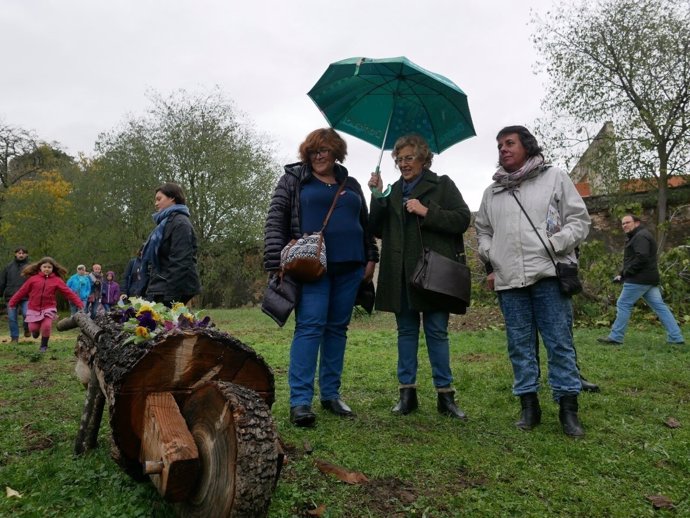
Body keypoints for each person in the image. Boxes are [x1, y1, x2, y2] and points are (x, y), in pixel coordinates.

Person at [475, 125, 590, 437]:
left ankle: (568, 409)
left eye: (509, 143)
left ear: (526, 145)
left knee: (559, 343)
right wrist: (490, 252)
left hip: (548, 277)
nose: (503, 149)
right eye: (499, 145)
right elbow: (482, 229)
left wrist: (556, 243)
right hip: (509, 281)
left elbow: (580, 221)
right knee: (520, 346)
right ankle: (529, 406)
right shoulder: (493, 192)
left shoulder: (554, 177)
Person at [264, 128, 378, 428]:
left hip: (351, 266)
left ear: (336, 152)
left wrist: (371, 257)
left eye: (325, 149)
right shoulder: (294, 180)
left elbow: (363, 224)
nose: (319, 155)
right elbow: (276, 219)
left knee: (337, 329)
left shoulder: (350, 183)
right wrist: (275, 261)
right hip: (311, 266)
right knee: (310, 327)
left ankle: (330, 395)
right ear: (306, 153)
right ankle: (300, 401)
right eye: (313, 150)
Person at [368, 134, 470, 420]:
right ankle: (407, 394)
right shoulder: (392, 192)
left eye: (409, 158)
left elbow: (462, 219)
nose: (403, 164)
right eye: (398, 159)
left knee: (437, 332)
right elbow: (375, 228)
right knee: (406, 333)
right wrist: (377, 197)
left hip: (433, 273)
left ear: (424, 159)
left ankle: (445, 396)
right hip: (400, 275)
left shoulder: (443, 185)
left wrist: (427, 211)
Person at [598, 214, 685, 345]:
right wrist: (622, 274)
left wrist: (626, 273)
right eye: (623, 224)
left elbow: (641, 258)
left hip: (638, 279)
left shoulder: (640, 236)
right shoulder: (638, 236)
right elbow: (635, 259)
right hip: (649, 279)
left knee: (623, 304)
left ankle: (616, 336)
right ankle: (676, 337)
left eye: (627, 222)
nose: (624, 225)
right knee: (660, 307)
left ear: (637, 223)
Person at [142, 182, 200, 306]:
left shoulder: (180, 224)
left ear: (172, 198)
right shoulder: (165, 223)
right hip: (160, 287)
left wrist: (171, 297)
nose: (156, 203)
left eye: (159, 199)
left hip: (172, 290)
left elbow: (181, 261)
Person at [8, 257, 83, 352]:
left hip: (49, 308)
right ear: (40, 267)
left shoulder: (57, 280)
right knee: (33, 328)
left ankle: (44, 346)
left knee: (46, 326)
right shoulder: (33, 279)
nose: (47, 269)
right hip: (33, 308)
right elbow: (22, 291)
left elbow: (68, 292)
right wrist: (12, 302)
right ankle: (35, 332)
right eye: (44, 267)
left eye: (49, 267)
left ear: (53, 268)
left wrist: (79, 304)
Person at [0, 246, 31, 342]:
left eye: (23, 253)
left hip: (26, 296)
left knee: (27, 314)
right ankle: (14, 338)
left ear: (26, 254)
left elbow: (36, 282)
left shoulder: (31, 267)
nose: (21, 255)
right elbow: (2, 281)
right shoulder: (8, 267)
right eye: (19, 253)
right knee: (12, 318)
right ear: (15, 254)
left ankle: (27, 329)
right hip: (11, 296)